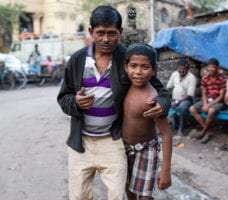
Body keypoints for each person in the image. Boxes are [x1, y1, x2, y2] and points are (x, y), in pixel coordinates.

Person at [57, 6, 170, 200]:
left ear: (120, 32)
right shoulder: (77, 60)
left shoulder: (127, 59)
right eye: (100, 33)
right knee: (78, 196)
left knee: (118, 194)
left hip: (113, 140)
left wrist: (163, 103)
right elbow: (63, 97)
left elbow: (160, 89)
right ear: (91, 31)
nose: (106, 39)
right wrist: (74, 102)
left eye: (112, 33)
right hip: (80, 141)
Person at [122, 43, 172, 200]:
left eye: (145, 67)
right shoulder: (123, 88)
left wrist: (165, 170)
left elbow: (166, 134)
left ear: (154, 70)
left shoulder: (152, 99)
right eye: (133, 66)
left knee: (145, 197)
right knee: (129, 190)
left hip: (146, 150)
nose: (138, 72)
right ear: (125, 67)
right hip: (124, 148)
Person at [188, 58, 226, 143]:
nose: (211, 69)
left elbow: (221, 96)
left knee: (211, 111)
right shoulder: (205, 78)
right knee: (192, 109)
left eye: (213, 67)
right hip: (208, 100)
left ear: (217, 67)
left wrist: (208, 106)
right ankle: (208, 131)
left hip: (218, 101)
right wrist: (205, 104)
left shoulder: (222, 78)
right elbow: (204, 93)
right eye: (209, 67)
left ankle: (203, 132)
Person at [166, 59, 197, 136]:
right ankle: (167, 126)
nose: (182, 71)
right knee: (162, 103)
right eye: (180, 69)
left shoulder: (191, 77)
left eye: (184, 69)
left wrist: (176, 102)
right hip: (174, 98)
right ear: (177, 68)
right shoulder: (174, 74)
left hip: (186, 100)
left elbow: (189, 95)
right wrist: (164, 95)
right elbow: (168, 87)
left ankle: (181, 128)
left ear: (188, 69)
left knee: (182, 107)